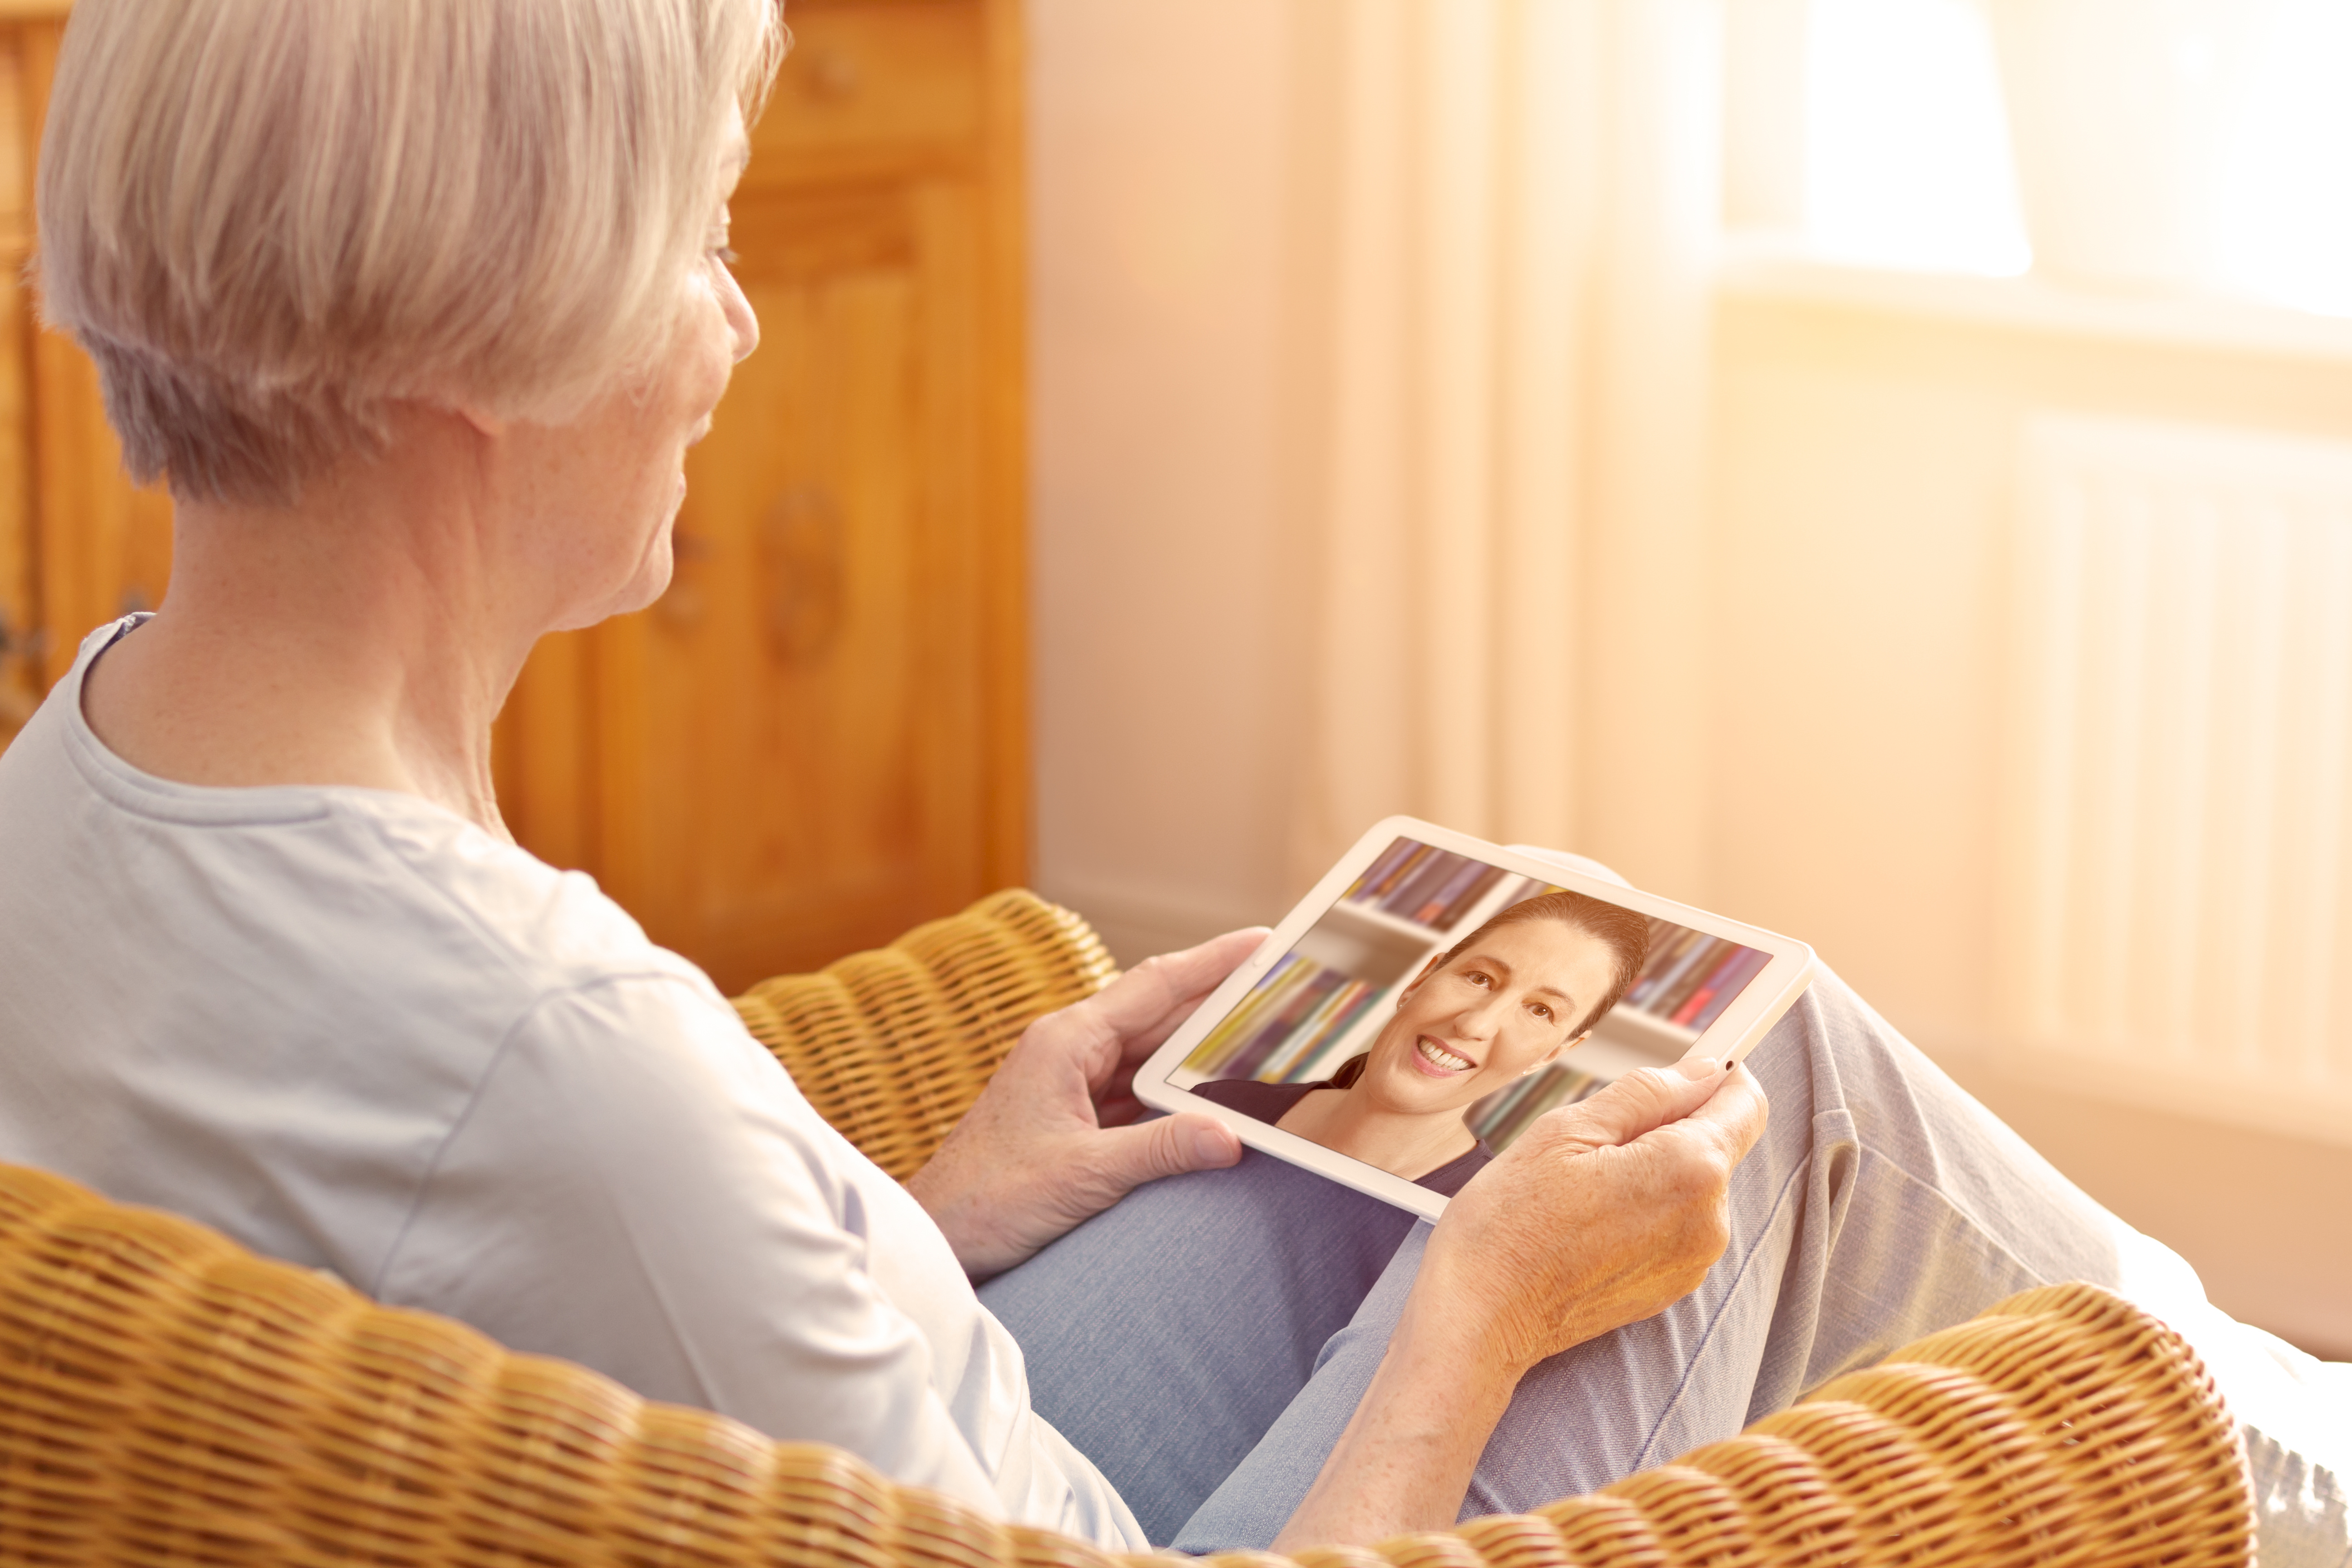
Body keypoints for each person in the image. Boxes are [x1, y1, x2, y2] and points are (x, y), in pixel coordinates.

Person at [0, 2, 2341, 1563]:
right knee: (1740, 1075)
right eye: (700, 237)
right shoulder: (558, 1050)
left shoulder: (84, 780)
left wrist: (915, 1213)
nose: (730, 323)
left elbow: (569, 1311)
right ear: (471, 356)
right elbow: (571, 1172)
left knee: (1583, 1029)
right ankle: (2263, 1458)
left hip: (922, 1459)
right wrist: (1481, 1318)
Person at [1192, 892, 1651, 1192]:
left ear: (1552, 1054)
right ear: (1421, 979)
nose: (1477, 1024)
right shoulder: (1215, 1108)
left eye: (1540, 1011)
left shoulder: (1475, 1223)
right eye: (1479, 978)